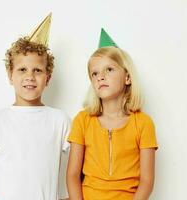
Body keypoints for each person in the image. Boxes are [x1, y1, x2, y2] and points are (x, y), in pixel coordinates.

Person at [0, 13, 70, 200]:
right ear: (10, 75)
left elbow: (83, 161)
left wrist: (74, 196)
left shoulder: (60, 120)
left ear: (48, 78)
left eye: (37, 70)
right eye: (22, 69)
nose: (30, 76)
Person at [67, 28, 158, 200]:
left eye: (109, 69)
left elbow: (146, 181)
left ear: (127, 78)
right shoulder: (82, 120)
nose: (100, 77)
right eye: (94, 73)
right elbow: (72, 175)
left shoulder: (144, 123)